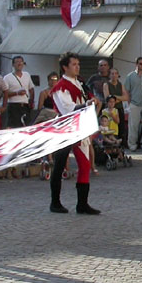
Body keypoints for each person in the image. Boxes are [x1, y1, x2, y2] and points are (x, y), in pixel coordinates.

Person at [48, 52, 100, 214]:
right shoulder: (60, 87)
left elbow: (88, 97)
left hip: (80, 128)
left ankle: (82, 204)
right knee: (59, 165)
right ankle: (55, 202)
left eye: (78, 64)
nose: (77, 67)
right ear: (65, 67)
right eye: (74, 64)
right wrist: (86, 104)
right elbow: (67, 109)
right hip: (65, 129)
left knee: (84, 164)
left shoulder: (80, 83)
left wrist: (92, 101)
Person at [125, 56, 142, 150]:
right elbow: (127, 90)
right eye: (140, 64)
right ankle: (132, 144)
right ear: (136, 64)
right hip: (134, 103)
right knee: (133, 125)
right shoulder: (130, 76)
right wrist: (129, 103)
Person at [2, 55, 34, 128]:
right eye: (17, 62)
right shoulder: (7, 77)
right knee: (14, 126)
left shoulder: (27, 75)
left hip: (25, 105)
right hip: (13, 105)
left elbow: (31, 89)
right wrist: (17, 93)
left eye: (21, 62)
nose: (19, 64)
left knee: (26, 126)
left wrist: (31, 101)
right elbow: (5, 94)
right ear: (13, 64)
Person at [103, 67, 128, 148]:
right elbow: (107, 98)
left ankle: (121, 144)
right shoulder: (106, 85)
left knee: (121, 127)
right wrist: (117, 99)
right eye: (112, 73)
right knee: (109, 127)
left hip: (119, 108)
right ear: (109, 75)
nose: (114, 75)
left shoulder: (121, 85)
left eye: (115, 73)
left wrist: (115, 97)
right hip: (110, 110)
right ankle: (111, 144)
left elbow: (126, 97)